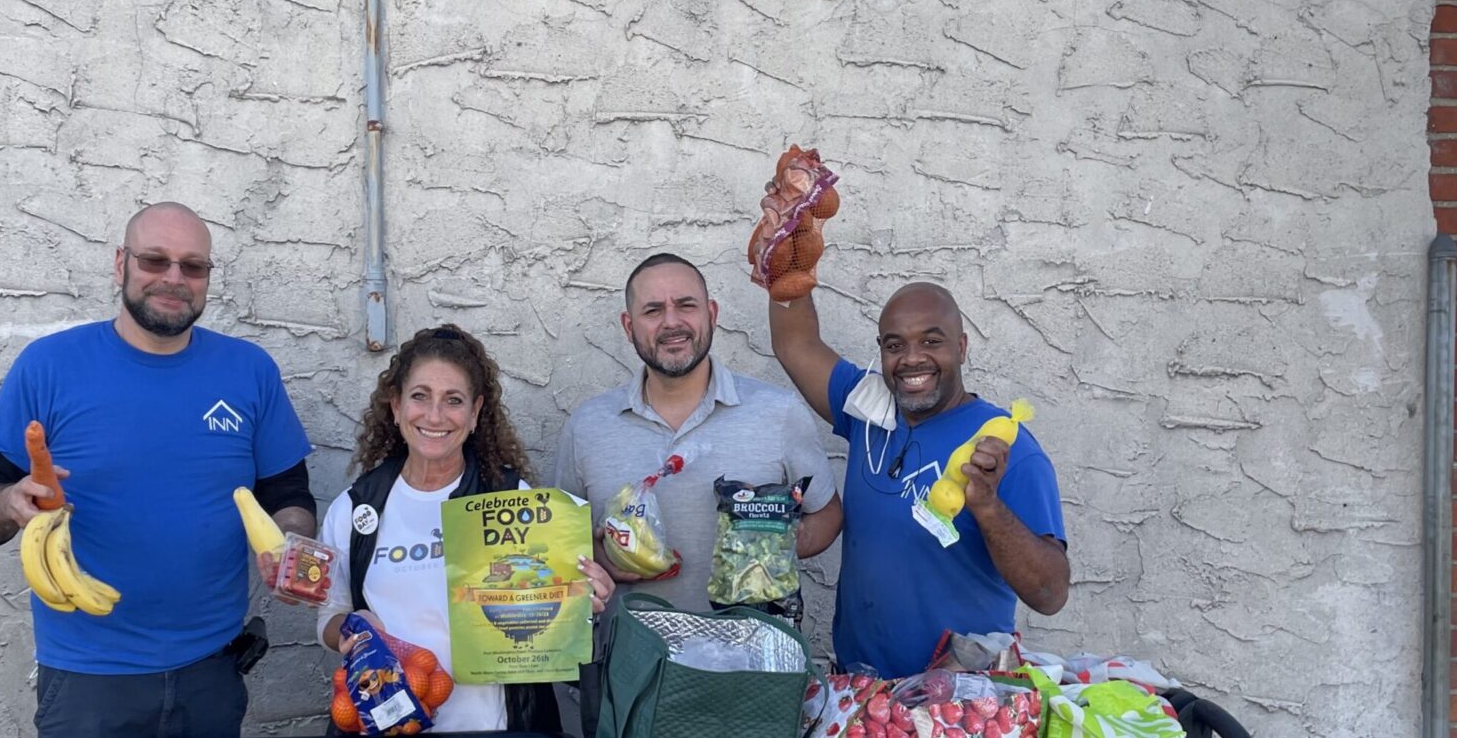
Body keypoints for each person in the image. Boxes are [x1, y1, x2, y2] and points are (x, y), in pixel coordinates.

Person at [0, 202, 316, 738]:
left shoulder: (249, 370)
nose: (174, 278)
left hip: (212, 671)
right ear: (120, 263)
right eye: (155, 260)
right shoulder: (48, 366)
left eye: (193, 266)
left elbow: (288, 492)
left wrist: (291, 548)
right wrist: (9, 503)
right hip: (88, 680)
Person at [553, 253, 843, 734]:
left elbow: (827, 515)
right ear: (628, 326)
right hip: (631, 678)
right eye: (653, 310)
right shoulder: (588, 427)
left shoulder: (776, 413)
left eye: (685, 305)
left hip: (752, 677)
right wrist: (601, 561)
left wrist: (769, 551)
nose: (672, 322)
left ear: (711, 314)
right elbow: (560, 553)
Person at [316, 324, 615, 733]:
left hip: (499, 726)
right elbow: (329, 616)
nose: (434, 415)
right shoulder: (356, 509)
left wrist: (580, 600)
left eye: (453, 400)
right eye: (420, 396)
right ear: (396, 405)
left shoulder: (514, 499)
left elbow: (546, 603)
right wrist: (352, 629)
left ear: (475, 413)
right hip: (391, 724)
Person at [768, 281, 1070, 679]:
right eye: (895, 345)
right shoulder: (866, 410)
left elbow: (1050, 594)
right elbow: (796, 343)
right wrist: (787, 266)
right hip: (861, 690)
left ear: (961, 347)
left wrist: (987, 506)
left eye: (931, 341)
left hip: (959, 695)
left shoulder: (1002, 445)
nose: (912, 358)